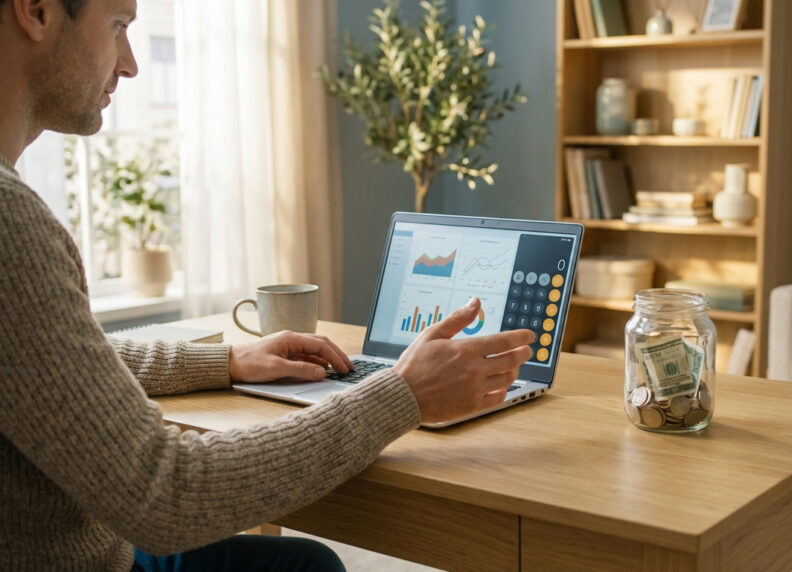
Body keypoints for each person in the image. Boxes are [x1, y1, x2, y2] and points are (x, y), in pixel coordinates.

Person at [0, 0, 535, 570]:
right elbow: (166, 494)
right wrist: (401, 395)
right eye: (119, 26)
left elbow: (55, 365)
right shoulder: (12, 225)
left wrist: (226, 361)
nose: (129, 64)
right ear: (35, 11)